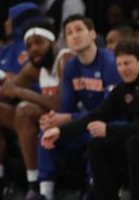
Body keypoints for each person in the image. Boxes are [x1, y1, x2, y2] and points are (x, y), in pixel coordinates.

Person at [0, 20, 67, 199]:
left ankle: (35, 185)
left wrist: (20, 92)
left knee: (24, 109)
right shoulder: (33, 67)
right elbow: (6, 91)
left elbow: (61, 105)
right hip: (47, 121)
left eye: (39, 42)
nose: (33, 49)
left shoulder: (64, 59)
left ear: (52, 42)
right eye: (29, 45)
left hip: (70, 119)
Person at [36, 15, 121, 199]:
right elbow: (66, 107)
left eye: (79, 30)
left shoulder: (110, 62)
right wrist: (53, 119)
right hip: (85, 123)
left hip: (113, 123)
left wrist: (66, 119)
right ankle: (45, 192)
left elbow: (110, 112)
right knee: (48, 132)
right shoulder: (70, 66)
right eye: (69, 33)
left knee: (96, 133)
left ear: (92, 34)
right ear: (66, 41)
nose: (74, 35)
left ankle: (93, 189)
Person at [42, 39, 139, 200]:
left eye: (127, 63)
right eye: (119, 64)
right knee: (98, 144)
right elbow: (95, 115)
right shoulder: (122, 89)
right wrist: (60, 131)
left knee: (134, 143)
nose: (123, 69)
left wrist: (109, 130)